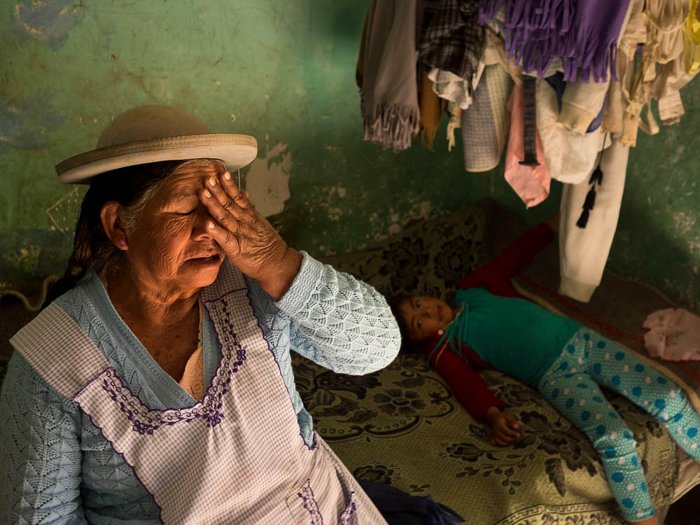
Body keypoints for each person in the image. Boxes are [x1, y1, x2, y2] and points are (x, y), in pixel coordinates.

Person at [0, 104, 401, 524]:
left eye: (222, 207)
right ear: (119, 225)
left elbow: (377, 350)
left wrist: (278, 263)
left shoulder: (253, 282)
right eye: (185, 210)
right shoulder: (52, 361)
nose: (211, 229)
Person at [393, 219, 700, 525]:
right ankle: (643, 521)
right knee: (614, 437)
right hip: (554, 376)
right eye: (420, 323)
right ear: (423, 341)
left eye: (419, 303)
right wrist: (493, 414)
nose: (426, 311)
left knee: (669, 396)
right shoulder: (447, 348)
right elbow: (464, 383)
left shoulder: (472, 289)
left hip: (584, 341)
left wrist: (551, 228)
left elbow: (512, 258)